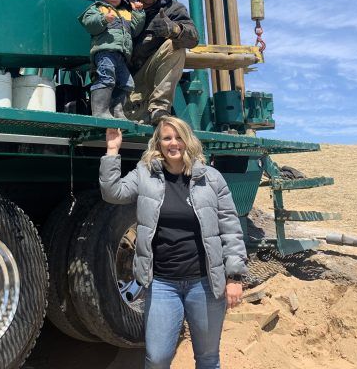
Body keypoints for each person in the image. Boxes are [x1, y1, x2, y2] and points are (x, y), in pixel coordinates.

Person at [100, 117, 248, 369]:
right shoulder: (145, 174)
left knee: (208, 358)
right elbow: (113, 193)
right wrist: (112, 151)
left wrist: (234, 276)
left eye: (178, 137)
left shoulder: (211, 179)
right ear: (158, 143)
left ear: (188, 140)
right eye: (167, 138)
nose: (173, 143)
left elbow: (231, 228)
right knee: (157, 359)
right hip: (161, 284)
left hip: (205, 284)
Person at [126, 0, 199, 125]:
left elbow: (193, 39)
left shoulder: (173, 9)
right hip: (121, 78)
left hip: (146, 77)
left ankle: (159, 108)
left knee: (175, 46)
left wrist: (174, 29)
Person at [79, 0, 145, 118]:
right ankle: (100, 111)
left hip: (121, 56)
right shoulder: (97, 9)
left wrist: (139, 12)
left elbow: (135, 30)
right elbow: (89, 23)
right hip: (105, 52)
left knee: (127, 83)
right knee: (106, 77)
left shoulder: (125, 12)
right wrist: (103, 19)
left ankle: (117, 110)